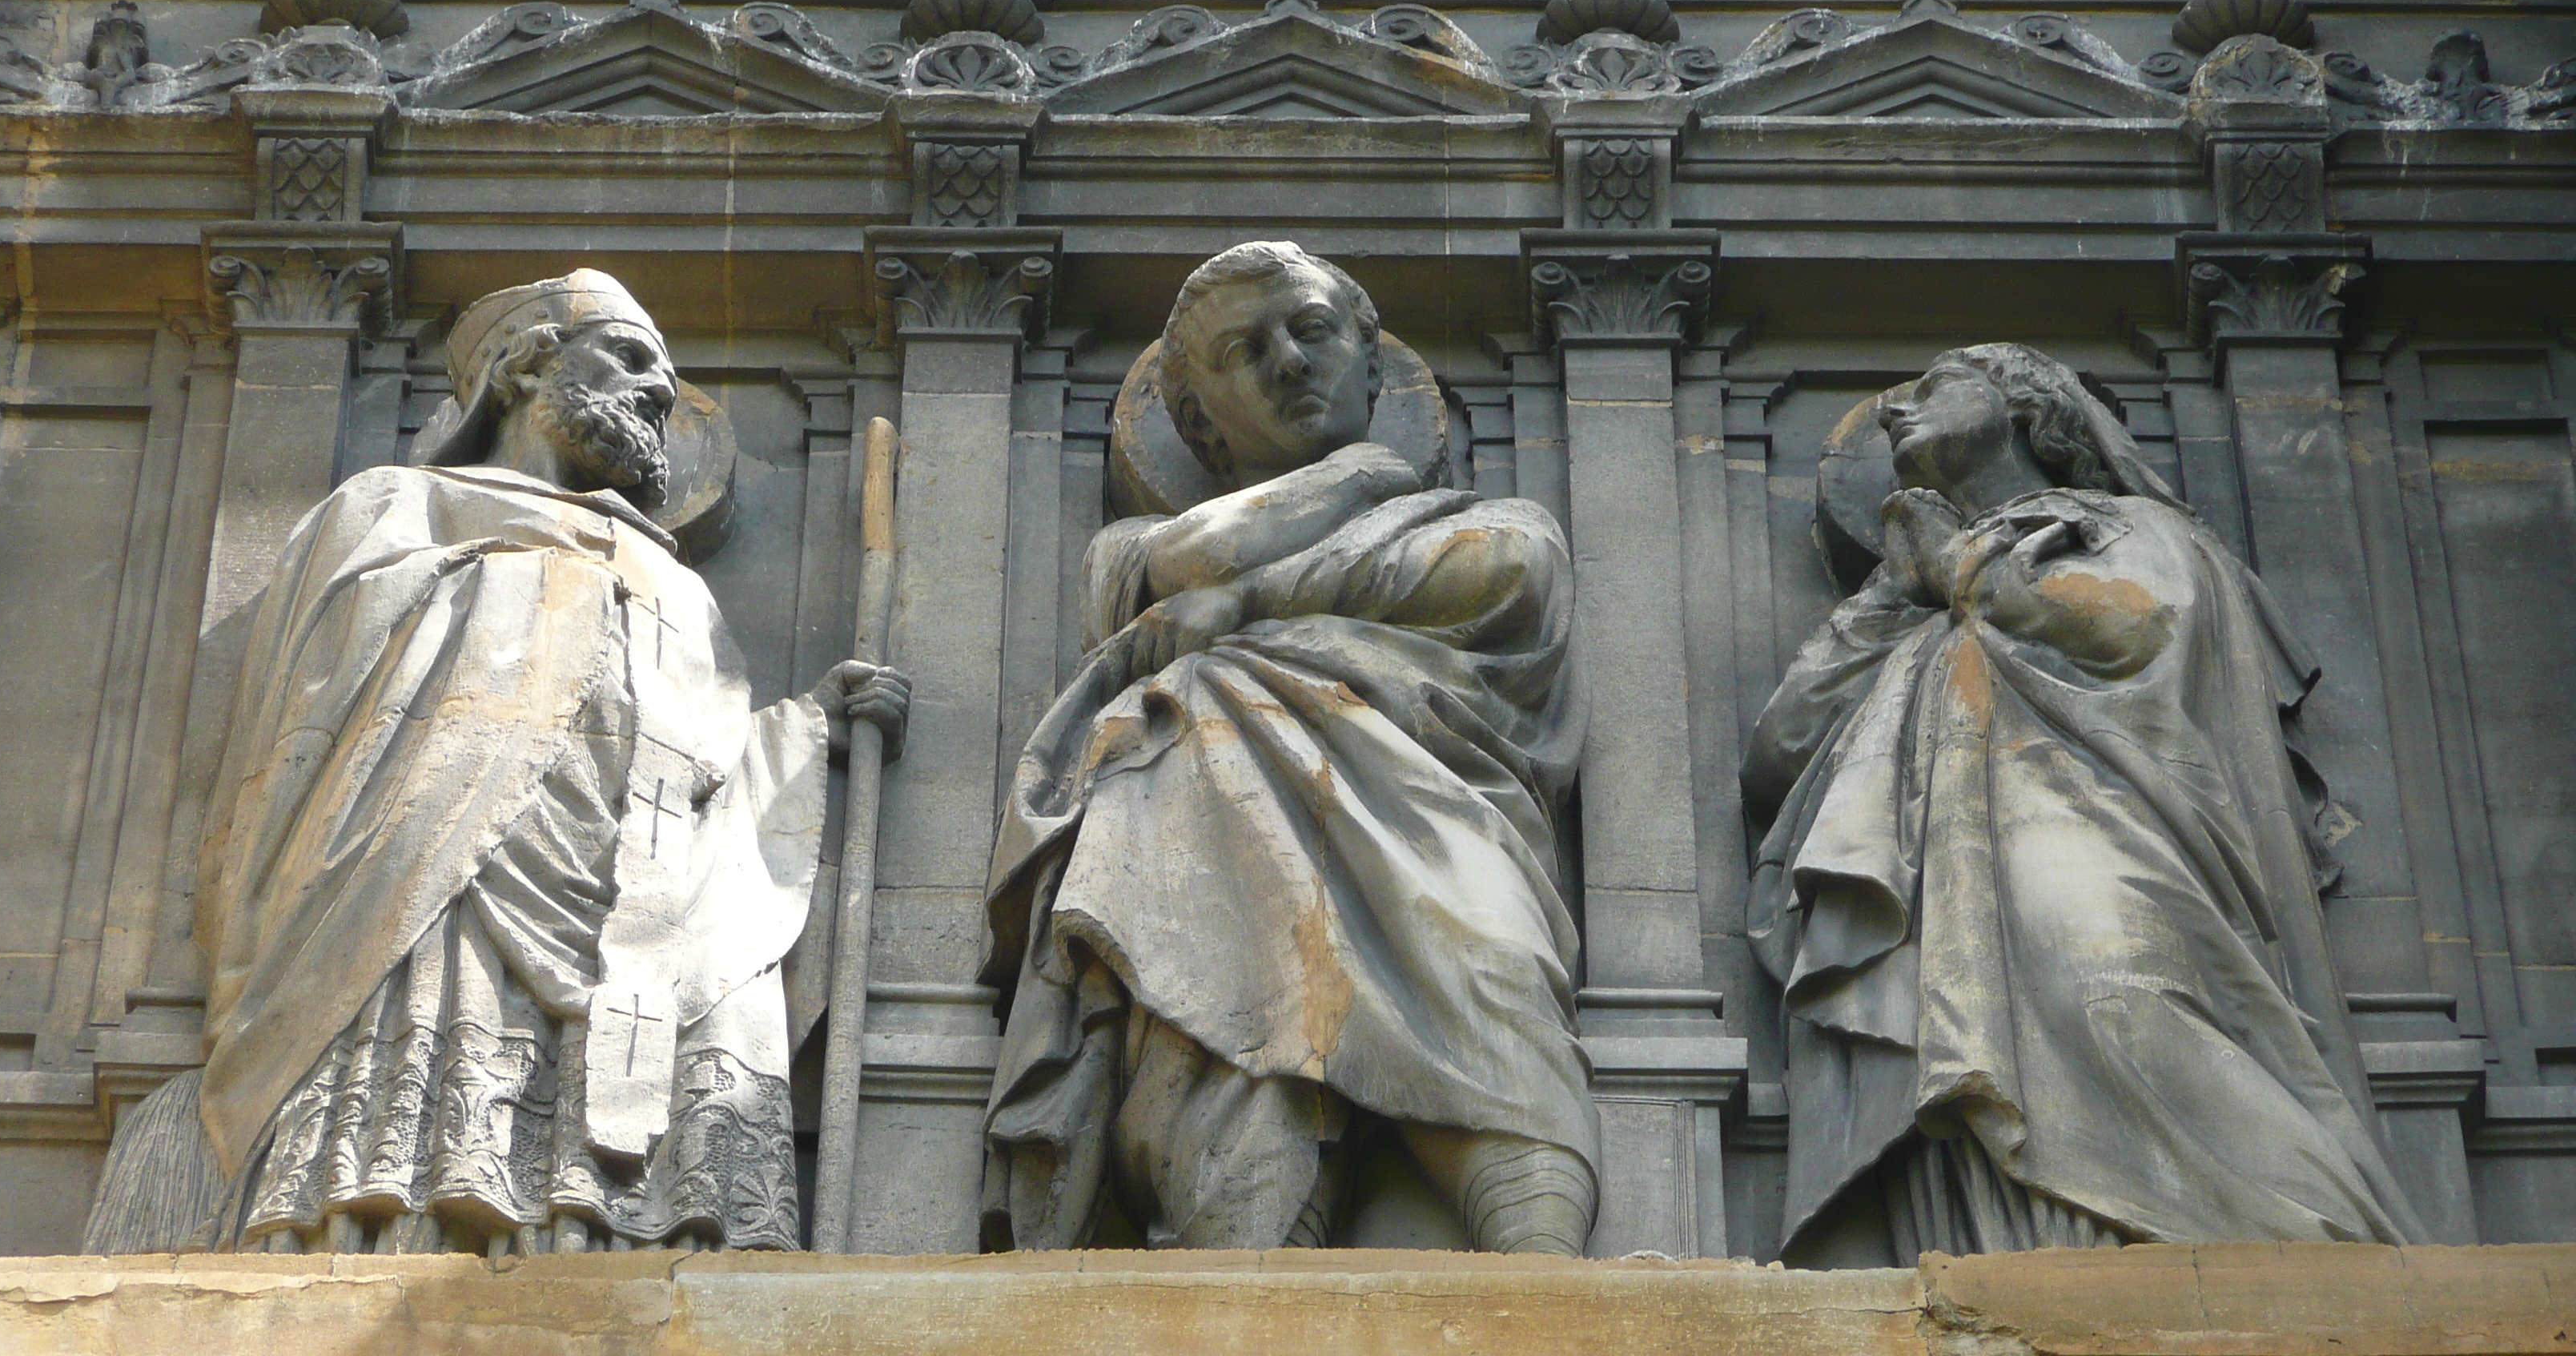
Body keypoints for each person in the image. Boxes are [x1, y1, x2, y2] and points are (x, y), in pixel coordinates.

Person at [82, 270, 906, 1256]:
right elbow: (317, 683)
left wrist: (809, 728)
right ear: (524, 366)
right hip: (442, 843)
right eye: (629, 357)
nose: (654, 390)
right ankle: (385, 1231)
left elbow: (704, 762)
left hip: (624, 885)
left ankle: (590, 1234)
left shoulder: (670, 579)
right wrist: (538, 592)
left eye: (667, 375)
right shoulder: (399, 504)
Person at [1744, 342, 2423, 1265]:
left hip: (2098, 824)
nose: (1897, 411)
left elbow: (2130, 625)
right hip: (1941, 875)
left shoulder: (2123, 527)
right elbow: (1781, 747)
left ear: (2029, 408)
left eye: (1935, 386)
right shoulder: (1906, 598)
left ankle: (2320, 1252)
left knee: (2117, 995)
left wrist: (1956, 566)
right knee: (1963, 1068)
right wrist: (1892, 597)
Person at [981, 242, 1597, 1254]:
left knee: (1491, 975)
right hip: (1215, 824)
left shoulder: (1492, 522)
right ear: (1195, 418)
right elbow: (1187, 557)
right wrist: (1357, 479)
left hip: (1438, 810)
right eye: (1244, 349)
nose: (1289, 362)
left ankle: (1549, 1288)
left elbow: (1504, 573)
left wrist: (1250, 601)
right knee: (1232, 1038)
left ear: (1367, 354)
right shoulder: (1129, 552)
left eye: (1312, 330)